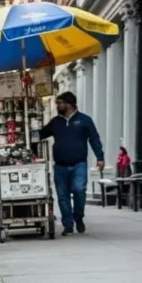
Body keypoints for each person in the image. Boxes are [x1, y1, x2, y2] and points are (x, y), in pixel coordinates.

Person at [39, 91, 104, 236]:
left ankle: (78, 217)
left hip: (78, 164)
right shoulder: (56, 122)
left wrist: (100, 157)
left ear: (69, 104)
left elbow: (94, 138)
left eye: (59, 103)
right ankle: (68, 224)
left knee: (79, 190)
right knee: (63, 196)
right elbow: (40, 134)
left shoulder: (85, 120)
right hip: (60, 165)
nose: (57, 106)